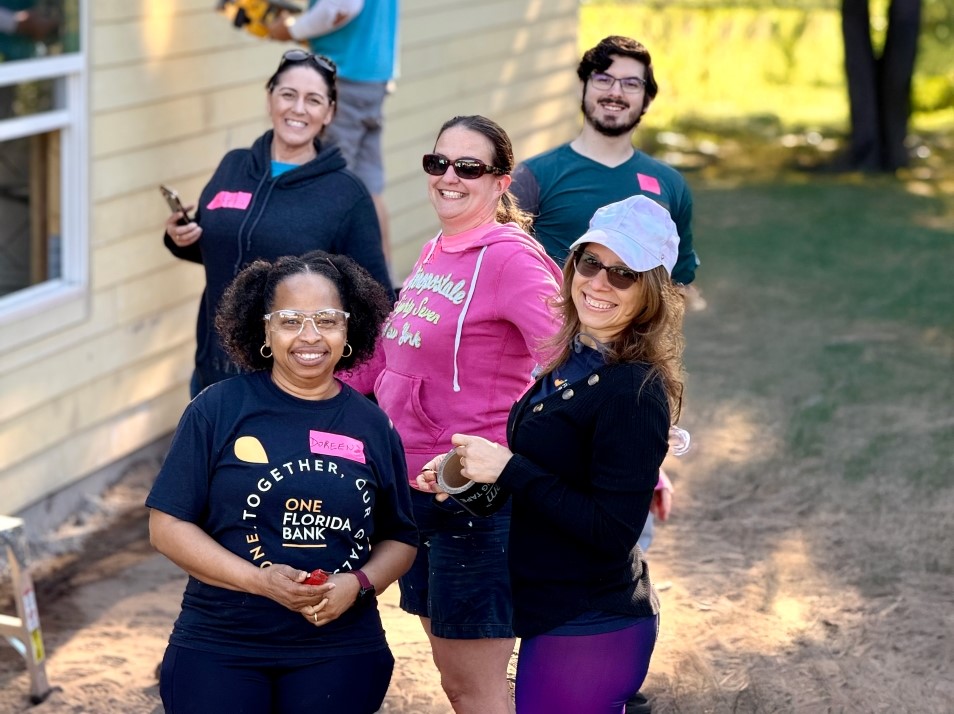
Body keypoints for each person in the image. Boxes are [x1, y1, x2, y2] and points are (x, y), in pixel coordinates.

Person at [419, 195, 685, 714]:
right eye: (591, 262)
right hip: (551, 613)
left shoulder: (633, 391)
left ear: (650, 292)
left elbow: (611, 531)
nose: (600, 282)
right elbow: (553, 476)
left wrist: (510, 468)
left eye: (623, 273)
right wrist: (470, 476)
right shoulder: (573, 360)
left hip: (591, 622)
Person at [343, 115, 563, 713]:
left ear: (500, 182)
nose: (449, 177)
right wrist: (299, 382)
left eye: (468, 167)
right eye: (438, 163)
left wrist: (636, 458)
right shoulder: (437, 249)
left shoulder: (513, 261)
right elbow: (390, 354)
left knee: (475, 687)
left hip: (474, 502)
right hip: (418, 491)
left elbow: (570, 367)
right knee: (455, 679)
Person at [146, 250, 417, 714]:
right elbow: (167, 526)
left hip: (339, 646)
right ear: (265, 329)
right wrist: (259, 582)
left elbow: (401, 538)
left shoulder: (372, 425)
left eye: (327, 319)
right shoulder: (218, 409)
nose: (310, 336)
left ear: (349, 329)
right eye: (290, 320)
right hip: (222, 639)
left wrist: (359, 582)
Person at [163, 49, 392, 397]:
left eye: (313, 100)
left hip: (292, 386)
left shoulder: (346, 193)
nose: (298, 109)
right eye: (288, 94)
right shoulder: (234, 166)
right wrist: (181, 237)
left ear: (329, 112)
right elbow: (226, 245)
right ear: (270, 98)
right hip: (213, 372)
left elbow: (376, 300)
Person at [511, 35, 698, 287]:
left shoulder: (670, 184)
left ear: (647, 99)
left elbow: (678, 283)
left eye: (631, 83)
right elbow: (499, 267)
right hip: (556, 326)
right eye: (603, 79)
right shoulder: (533, 177)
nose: (615, 92)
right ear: (582, 86)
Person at [267, 0, 398, 272]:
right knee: (368, 187)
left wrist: (292, 30)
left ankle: (327, 280)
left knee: (327, 183)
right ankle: (384, 287)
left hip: (344, 77)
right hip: (373, 79)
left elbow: (340, 7)